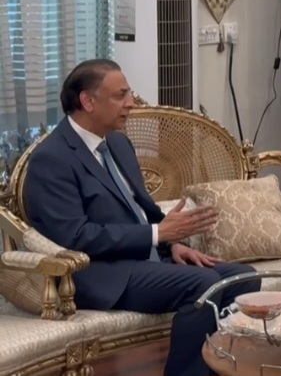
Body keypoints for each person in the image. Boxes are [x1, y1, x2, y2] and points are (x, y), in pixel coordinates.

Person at [22, 59, 259, 376]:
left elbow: (140, 209)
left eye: (129, 93)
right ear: (88, 101)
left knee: (243, 277)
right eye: (120, 95)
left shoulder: (118, 143)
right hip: (99, 273)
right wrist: (157, 234)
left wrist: (171, 244)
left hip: (144, 259)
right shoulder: (52, 159)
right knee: (204, 284)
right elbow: (74, 237)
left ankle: (219, 368)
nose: (131, 102)